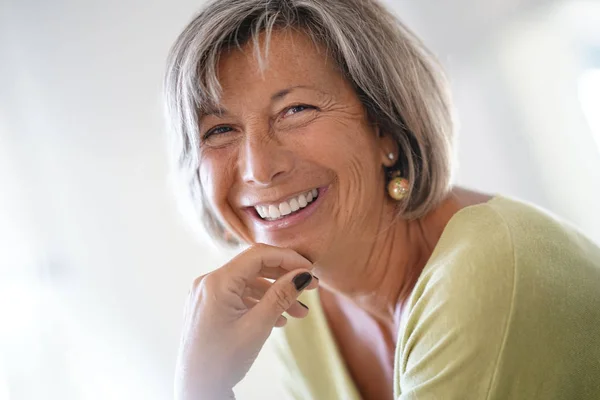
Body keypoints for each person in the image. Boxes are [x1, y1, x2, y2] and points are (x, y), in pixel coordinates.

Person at [163, 0, 600, 399]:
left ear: (385, 127)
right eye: (219, 130)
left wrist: (201, 388)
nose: (259, 168)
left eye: (296, 110)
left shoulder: (485, 268)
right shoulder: (302, 307)